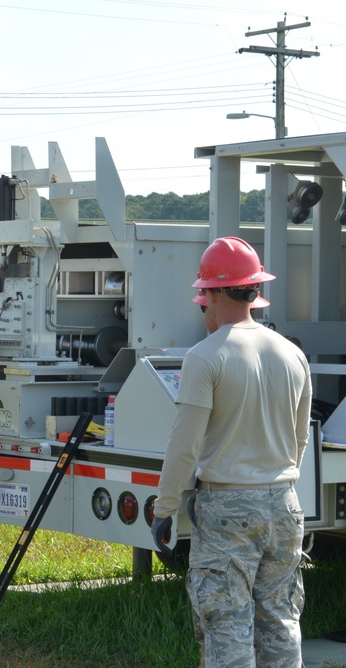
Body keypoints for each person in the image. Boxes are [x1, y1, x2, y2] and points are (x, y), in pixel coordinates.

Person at [152, 236, 312, 668]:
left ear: (215, 293)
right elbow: (299, 440)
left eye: (203, 294)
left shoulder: (205, 358)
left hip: (226, 508)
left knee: (226, 627)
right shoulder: (294, 355)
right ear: (254, 290)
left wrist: (165, 509)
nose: (202, 304)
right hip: (284, 503)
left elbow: (183, 446)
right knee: (280, 620)